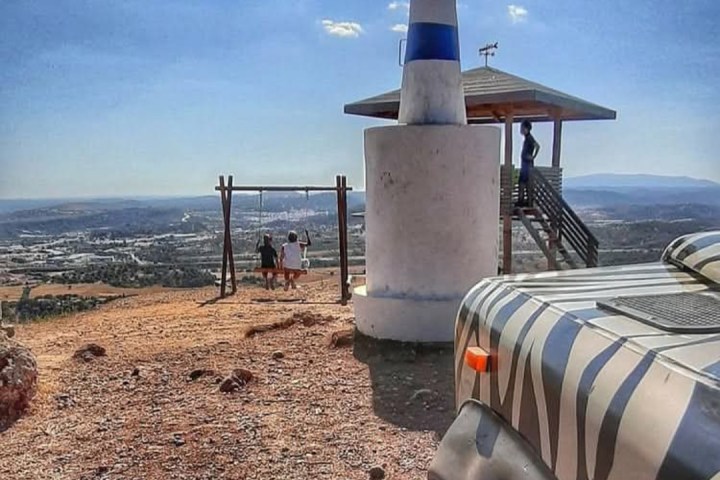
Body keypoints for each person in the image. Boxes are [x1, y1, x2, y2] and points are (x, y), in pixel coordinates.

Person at [518, 120, 540, 207]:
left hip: (527, 165)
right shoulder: (528, 138)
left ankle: (522, 201)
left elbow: (537, 146)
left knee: (523, 183)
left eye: (522, 127)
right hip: (526, 164)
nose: (521, 129)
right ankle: (524, 201)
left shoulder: (529, 138)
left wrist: (533, 156)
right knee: (524, 183)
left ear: (526, 128)